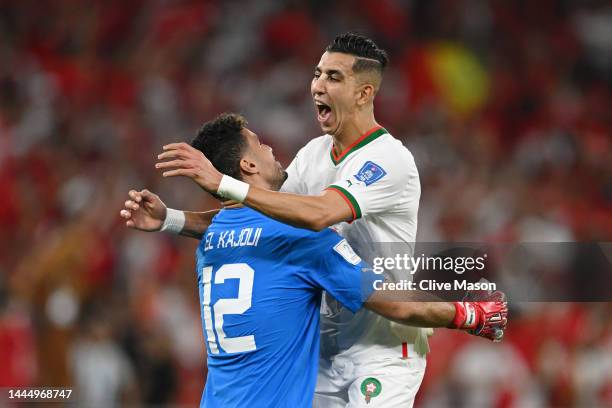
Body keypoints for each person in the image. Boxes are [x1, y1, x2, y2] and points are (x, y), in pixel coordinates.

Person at [121, 113, 507, 407]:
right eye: (260, 145)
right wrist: (469, 314)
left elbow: (232, 222)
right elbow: (394, 304)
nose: (271, 149)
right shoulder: (301, 236)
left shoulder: (213, 239)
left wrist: (170, 219)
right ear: (248, 166)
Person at [153, 33, 435, 407]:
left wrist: (222, 182)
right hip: (325, 345)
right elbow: (253, 221)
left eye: (334, 77)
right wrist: (169, 219)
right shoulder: (312, 155)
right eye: (317, 74)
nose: (318, 85)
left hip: (382, 343)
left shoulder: (387, 158)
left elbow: (321, 214)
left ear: (364, 94)